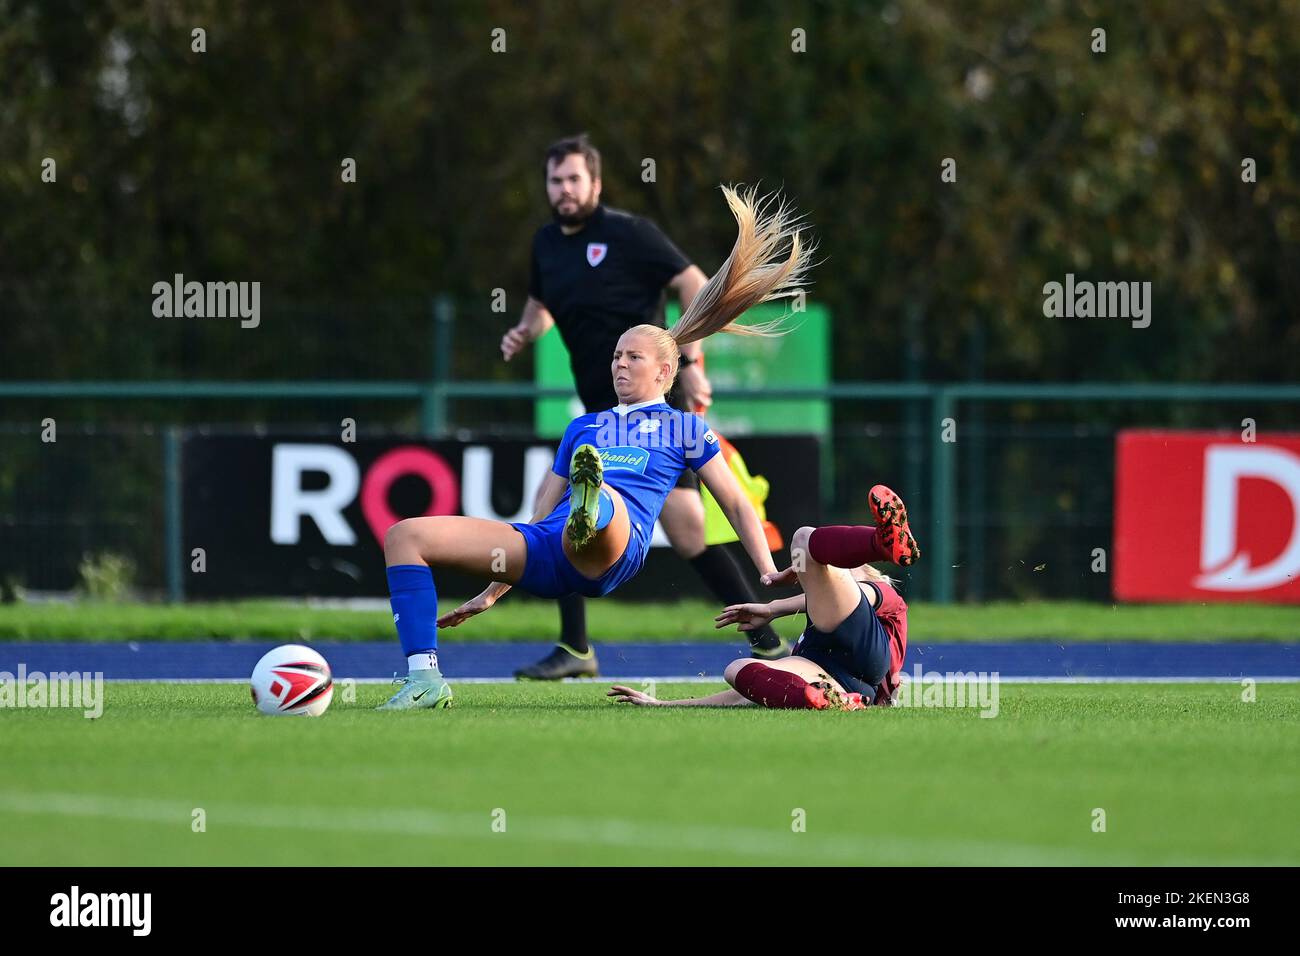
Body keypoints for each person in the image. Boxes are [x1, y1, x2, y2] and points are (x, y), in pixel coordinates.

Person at [378, 184, 814, 710]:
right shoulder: (585, 426)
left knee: (600, 497)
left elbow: (736, 502)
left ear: (665, 370)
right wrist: (496, 584)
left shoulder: (684, 429)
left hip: (614, 547)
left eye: (633, 357)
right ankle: (423, 678)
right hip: (551, 550)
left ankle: (594, 501)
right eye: (615, 356)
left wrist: (766, 571)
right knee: (406, 536)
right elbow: (539, 512)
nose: (619, 364)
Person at [500, 133, 791, 680]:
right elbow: (541, 306)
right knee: (662, 528)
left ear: (596, 183)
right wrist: (523, 331)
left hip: (655, 404)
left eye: (572, 179)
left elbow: (693, 283)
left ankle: (765, 637)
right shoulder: (545, 245)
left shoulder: (631, 234)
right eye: (554, 180)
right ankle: (764, 640)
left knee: (650, 524)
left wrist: (694, 363)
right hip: (600, 405)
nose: (562, 190)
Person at [608, 485, 920, 710]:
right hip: (844, 683)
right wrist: (664, 704)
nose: (831, 575)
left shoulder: (879, 591)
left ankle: (881, 544)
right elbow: (749, 694)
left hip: (870, 666)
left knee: (803, 538)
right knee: (738, 669)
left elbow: (858, 595)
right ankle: (832, 702)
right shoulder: (822, 622)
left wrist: (774, 608)